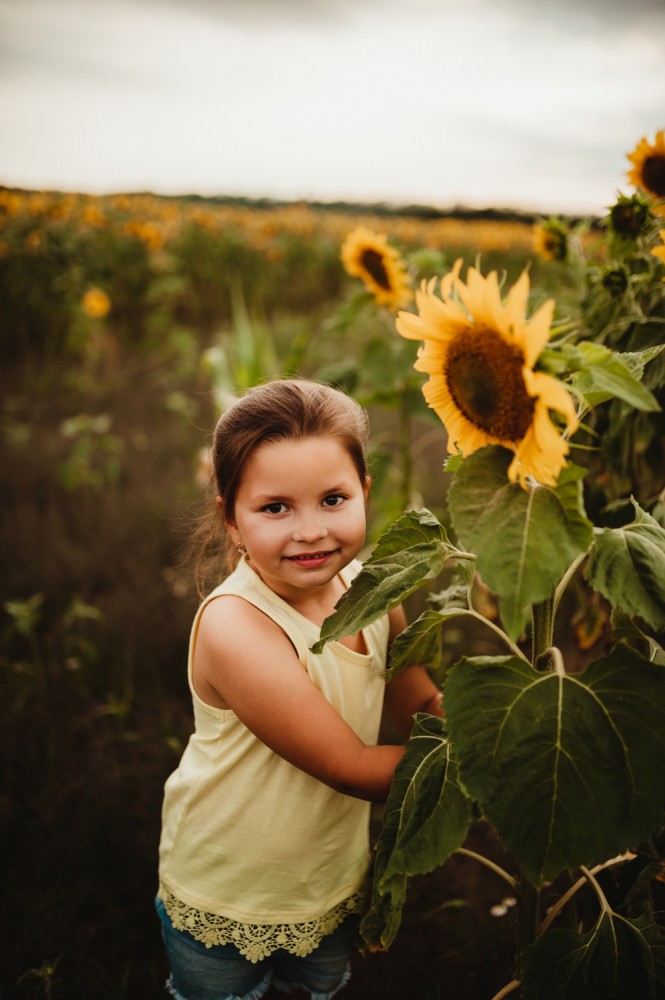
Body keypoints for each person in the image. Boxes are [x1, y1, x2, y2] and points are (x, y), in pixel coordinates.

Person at [156, 378, 443, 1000]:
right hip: (229, 891)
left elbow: (416, 703)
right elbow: (352, 767)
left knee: (319, 989)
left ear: (365, 493)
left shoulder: (373, 589)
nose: (310, 530)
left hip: (328, 879)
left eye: (333, 499)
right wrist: (474, 758)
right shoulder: (238, 626)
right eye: (275, 508)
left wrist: (497, 718)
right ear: (230, 519)